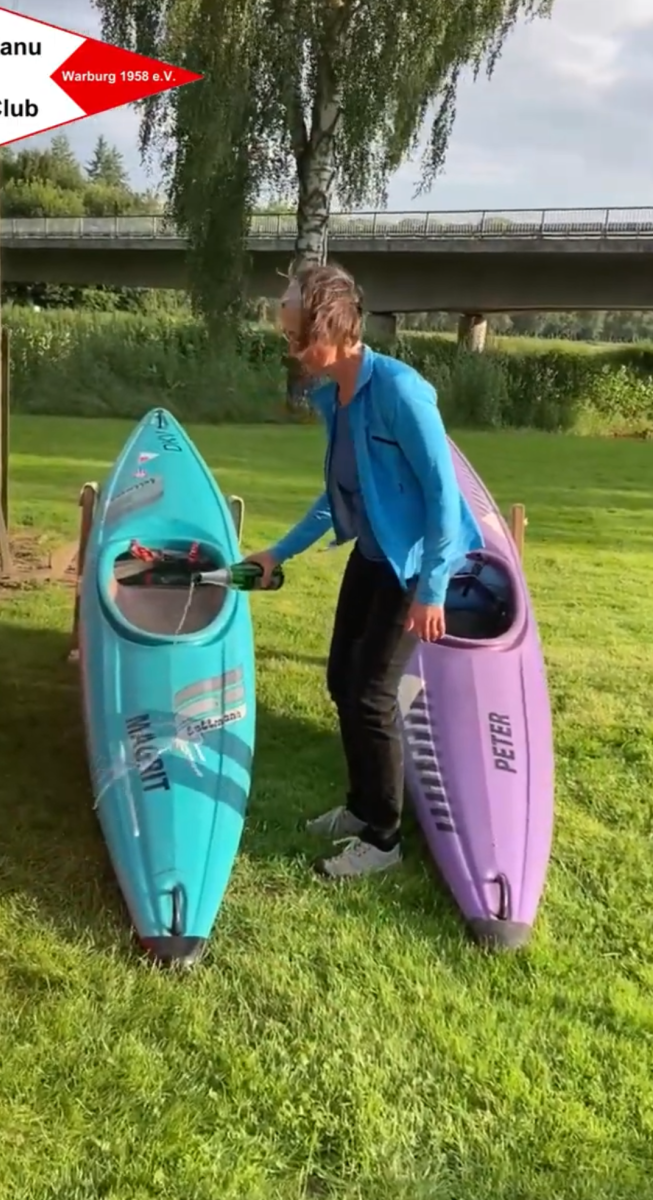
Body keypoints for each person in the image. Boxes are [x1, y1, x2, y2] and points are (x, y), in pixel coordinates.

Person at [247, 264, 483, 879]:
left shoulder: (401, 392)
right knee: (340, 682)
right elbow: (340, 496)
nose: (293, 350)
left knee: (373, 696)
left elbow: (443, 495)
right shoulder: (335, 398)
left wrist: (432, 590)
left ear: (333, 328)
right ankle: (360, 807)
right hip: (371, 557)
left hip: (412, 567)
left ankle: (383, 840)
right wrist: (277, 552)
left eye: (299, 337)